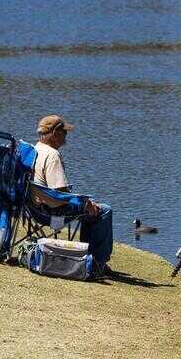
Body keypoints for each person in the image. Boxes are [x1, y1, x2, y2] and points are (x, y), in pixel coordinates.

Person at [32, 114, 113, 275]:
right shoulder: (52, 155)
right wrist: (84, 201)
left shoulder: (35, 149)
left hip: (35, 209)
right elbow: (60, 193)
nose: (66, 136)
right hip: (52, 212)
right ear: (54, 134)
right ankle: (97, 263)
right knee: (103, 210)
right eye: (64, 132)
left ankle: (88, 256)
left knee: (89, 208)